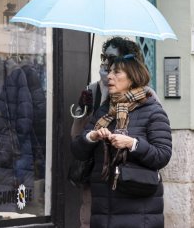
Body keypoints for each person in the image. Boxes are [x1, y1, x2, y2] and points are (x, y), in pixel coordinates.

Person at [71, 53, 172, 227]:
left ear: (133, 78)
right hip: (103, 210)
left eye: (117, 72)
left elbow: (162, 156)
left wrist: (132, 143)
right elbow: (78, 151)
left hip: (139, 211)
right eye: (109, 71)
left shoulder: (153, 111)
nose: (109, 76)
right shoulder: (103, 112)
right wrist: (91, 137)